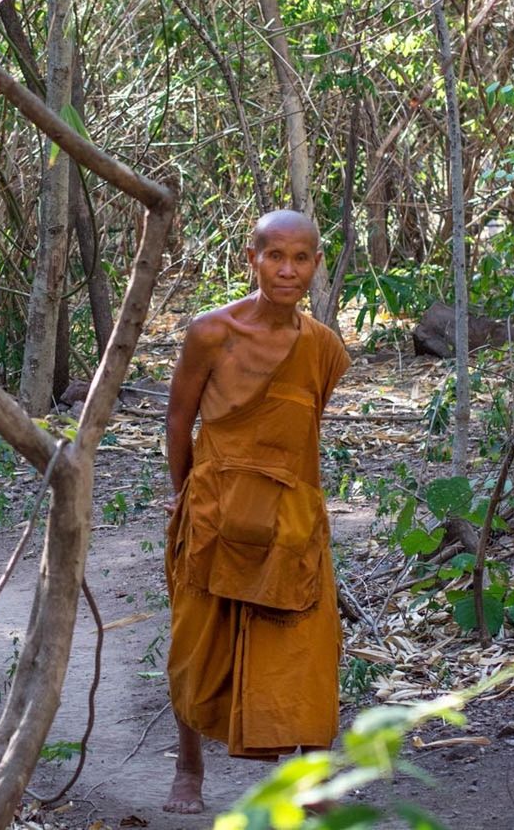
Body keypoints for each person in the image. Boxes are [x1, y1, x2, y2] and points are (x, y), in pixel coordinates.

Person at [162, 209, 350, 814]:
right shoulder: (210, 333)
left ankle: (310, 779)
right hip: (215, 512)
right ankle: (188, 770)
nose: (287, 270)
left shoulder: (321, 346)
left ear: (316, 265)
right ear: (251, 259)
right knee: (195, 642)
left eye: (300, 259)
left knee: (308, 647)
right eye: (275, 256)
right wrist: (184, 496)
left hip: (291, 519)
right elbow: (177, 420)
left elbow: (299, 431)